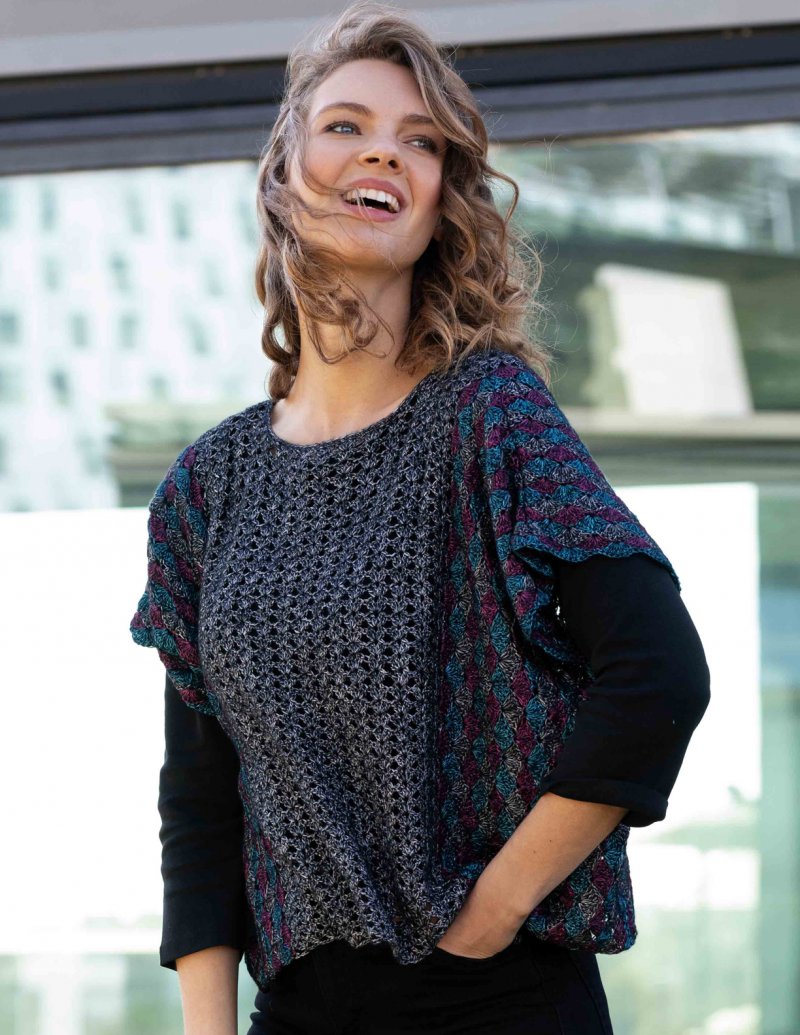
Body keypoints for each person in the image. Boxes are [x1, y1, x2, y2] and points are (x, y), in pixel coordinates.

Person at [129, 3, 712, 1033]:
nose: (383, 153)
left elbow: (655, 675)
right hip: (298, 1010)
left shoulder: (491, 416)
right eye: (345, 126)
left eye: (421, 141)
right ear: (282, 172)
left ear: (442, 201)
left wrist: (492, 913)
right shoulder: (207, 488)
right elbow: (201, 800)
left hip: (497, 999)